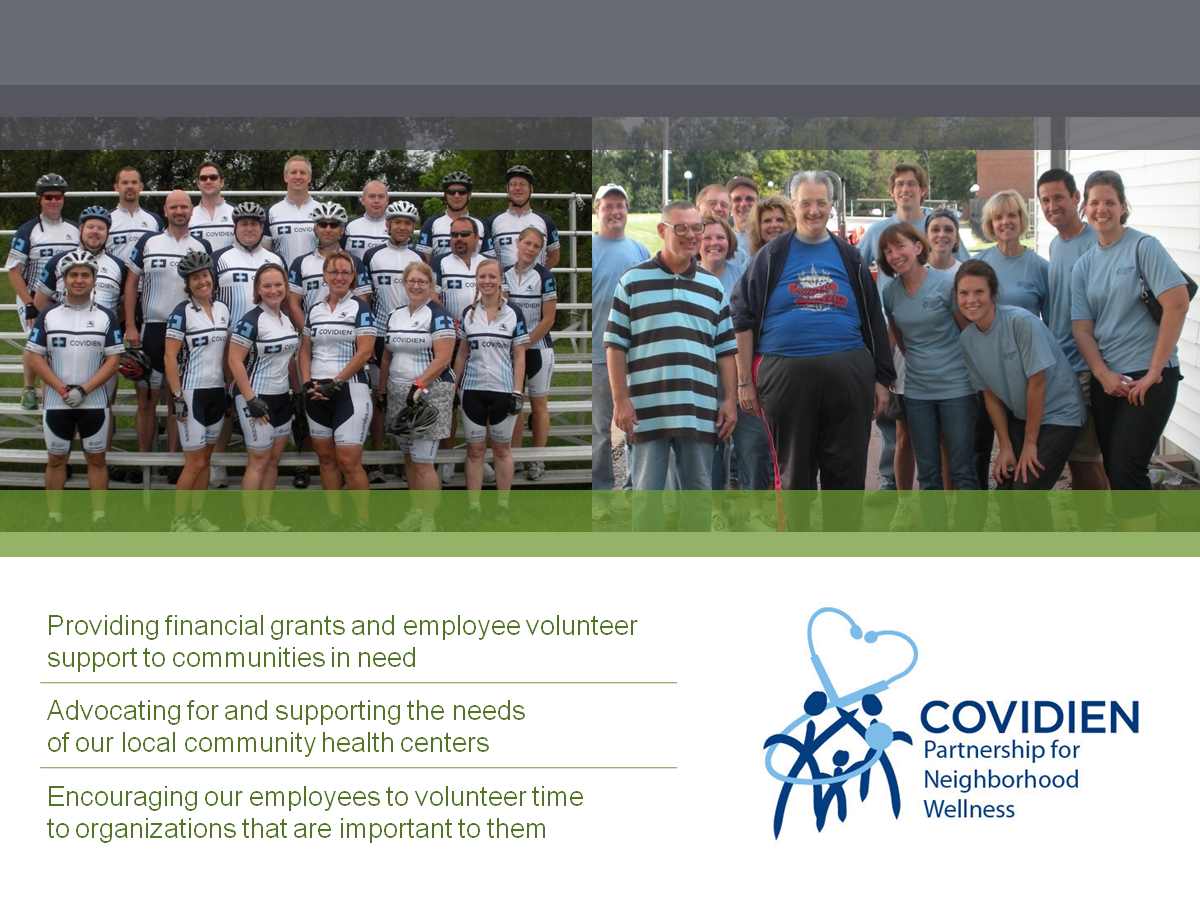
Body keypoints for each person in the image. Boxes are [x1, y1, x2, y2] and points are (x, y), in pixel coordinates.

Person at [730, 173, 892, 532]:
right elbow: (741, 316)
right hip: (785, 378)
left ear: (831, 207)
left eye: (821, 203)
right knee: (793, 472)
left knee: (846, 468)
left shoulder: (849, 256)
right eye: (806, 203)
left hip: (848, 374)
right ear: (793, 206)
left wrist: (882, 378)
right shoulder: (770, 257)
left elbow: (873, 318)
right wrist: (744, 382)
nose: (814, 210)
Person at [1071, 169, 1191, 531]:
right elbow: (1083, 330)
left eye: (1110, 202)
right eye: (1094, 203)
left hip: (1150, 375)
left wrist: (1154, 372)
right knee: (1116, 466)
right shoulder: (1084, 264)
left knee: (1127, 465)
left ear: (1123, 207)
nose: (1101, 209)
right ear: (1085, 209)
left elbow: (1178, 303)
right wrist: (1103, 375)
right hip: (1111, 381)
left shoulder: (1144, 246)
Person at [607, 201, 737, 532]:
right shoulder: (633, 281)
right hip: (646, 410)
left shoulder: (713, 287)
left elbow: (725, 350)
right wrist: (621, 400)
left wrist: (730, 401)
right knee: (647, 496)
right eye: (681, 228)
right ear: (663, 231)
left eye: (697, 228)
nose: (691, 236)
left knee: (698, 497)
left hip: (699, 409)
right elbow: (616, 345)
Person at [858, 164, 968, 501]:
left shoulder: (939, 242)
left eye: (912, 184)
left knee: (949, 446)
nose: (895, 254)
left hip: (948, 367)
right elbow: (857, 268)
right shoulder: (879, 233)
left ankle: (955, 510)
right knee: (900, 432)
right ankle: (894, 486)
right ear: (891, 191)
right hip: (903, 352)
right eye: (899, 184)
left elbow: (961, 287)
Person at [956, 260, 1085, 530]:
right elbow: (989, 394)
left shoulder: (1020, 322)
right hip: (1021, 415)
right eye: (964, 293)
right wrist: (1004, 447)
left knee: (1026, 491)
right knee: (1005, 485)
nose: (971, 300)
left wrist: (1029, 443)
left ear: (993, 294)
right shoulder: (968, 340)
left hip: (1059, 414)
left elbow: (1038, 384)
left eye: (979, 292)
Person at [878, 222, 980, 532]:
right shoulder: (890, 293)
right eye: (888, 250)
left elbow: (969, 333)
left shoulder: (947, 285)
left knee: (962, 468)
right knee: (929, 473)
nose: (896, 254)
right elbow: (898, 338)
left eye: (901, 246)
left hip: (957, 389)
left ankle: (968, 536)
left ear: (918, 247)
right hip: (918, 393)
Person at [23, 250, 122, 531]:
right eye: (73, 275)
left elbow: (114, 359)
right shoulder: (48, 316)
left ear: (94, 280)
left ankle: (99, 517)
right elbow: (35, 356)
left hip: (94, 401)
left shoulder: (106, 317)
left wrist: (85, 389)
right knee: (56, 460)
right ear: (64, 280)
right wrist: (62, 388)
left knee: (97, 459)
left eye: (85, 275)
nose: (79, 280)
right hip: (57, 401)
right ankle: (53, 517)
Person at [1037, 168, 1109, 530]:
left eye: (1059, 197)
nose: (1052, 206)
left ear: (1076, 198)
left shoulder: (1095, 240)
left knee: (1083, 457)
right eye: (1045, 200)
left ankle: (1093, 534)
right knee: (1085, 457)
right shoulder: (1055, 245)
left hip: (1088, 364)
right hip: (1061, 364)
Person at [969, 191, 1051, 491]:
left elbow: (1049, 325)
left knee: (1016, 447)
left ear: (1022, 219)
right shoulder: (979, 263)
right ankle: (975, 513)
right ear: (990, 224)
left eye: (1012, 215)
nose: (1006, 222)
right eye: (998, 217)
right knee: (978, 447)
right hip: (986, 370)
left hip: (1022, 376)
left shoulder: (1040, 267)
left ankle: (1015, 513)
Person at [123, 190, 212, 460]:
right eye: (173, 207)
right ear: (165, 210)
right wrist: (130, 324)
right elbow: (131, 284)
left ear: (191, 210)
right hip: (151, 328)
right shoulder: (148, 242)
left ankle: (174, 461)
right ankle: (143, 461)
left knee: (177, 398)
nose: (179, 211)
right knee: (146, 401)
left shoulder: (201, 245)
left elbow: (208, 288)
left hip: (186, 331)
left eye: (184, 206)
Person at [697, 212, 772, 532]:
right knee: (711, 443)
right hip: (703, 377)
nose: (714, 243)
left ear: (730, 242)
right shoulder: (687, 278)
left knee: (752, 444)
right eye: (707, 237)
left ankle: (757, 510)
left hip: (744, 374)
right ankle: (716, 509)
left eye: (720, 237)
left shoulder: (744, 275)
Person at [208, 201, 287, 489]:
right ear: (235, 227)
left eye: (255, 223)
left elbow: (284, 298)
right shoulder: (219, 257)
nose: (249, 227)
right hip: (230, 340)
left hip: (267, 344)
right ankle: (218, 464)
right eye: (244, 223)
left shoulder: (276, 259)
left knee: (254, 398)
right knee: (227, 403)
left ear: (262, 227)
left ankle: (256, 456)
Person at [298, 250, 376, 532]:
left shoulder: (360, 308)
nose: (339, 277)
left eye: (345, 272)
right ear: (325, 276)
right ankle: (334, 513)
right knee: (326, 458)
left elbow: (365, 350)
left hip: (349, 391)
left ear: (353, 277)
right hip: (317, 391)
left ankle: (363, 518)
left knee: (348, 460)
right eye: (334, 272)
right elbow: (305, 349)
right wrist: (307, 382)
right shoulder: (315, 309)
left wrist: (337, 383)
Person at [378, 261, 456, 533]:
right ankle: (415, 511)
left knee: (423, 462)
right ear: (403, 283)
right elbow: (387, 354)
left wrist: (419, 384)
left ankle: (429, 520)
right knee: (409, 459)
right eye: (411, 280)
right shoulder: (394, 315)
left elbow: (444, 357)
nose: (415, 285)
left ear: (430, 285)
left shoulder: (439, 314)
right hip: (400, 392)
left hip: (430, 392)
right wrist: (384, 390)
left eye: (422, 281)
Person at [452, 258, 529, 529]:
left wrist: (518, 392)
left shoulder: (514, 313)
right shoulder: (467, 313)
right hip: (472, 390)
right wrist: (454, 388)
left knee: (501, 450)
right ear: (477, 280)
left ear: (500, 280)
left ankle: (502, 508)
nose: (487, 281)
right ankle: (473, 508)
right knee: (474, 451)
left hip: (503, 390)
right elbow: (462, 353)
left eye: (492, 277)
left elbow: (520, 356)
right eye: (482, 276)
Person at [591, 184, 650, 513]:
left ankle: (633, 488)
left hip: (637, 354)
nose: (615, 211)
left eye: (621, 205)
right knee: (602, 430)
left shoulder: (640, 251)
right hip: (601, 355)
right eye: (609, 206)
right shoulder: (592, 248)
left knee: (637, 427)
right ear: (598, 210)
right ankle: (601, 494)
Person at [228, 263, 300, 532]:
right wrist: (250, 398)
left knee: (273, 460)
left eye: (278, 285)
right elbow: (234, 360)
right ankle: (250, 522)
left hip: (282, 397)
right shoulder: (250, 320)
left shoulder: (285, 317)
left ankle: (264, 515)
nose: (274, 290)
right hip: (256, 397)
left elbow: (290, 360)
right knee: (258, 461)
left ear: (286, 287)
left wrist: (298, 392)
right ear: (257, 289)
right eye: (267, 286)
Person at [164, 251, 230, 532]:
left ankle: (197, 514)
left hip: (216, 392)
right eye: (195, 278)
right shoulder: (181, 312)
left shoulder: (223, 309)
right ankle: (178, 520)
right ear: (187, 284)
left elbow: (226, 352)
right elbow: (169, 357)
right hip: (190, 394)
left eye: (205, 275)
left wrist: (228, 387)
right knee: (193, 463)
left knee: (206, 461)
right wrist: (177, 396)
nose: (202, 281)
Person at [8, 174, 80, 410]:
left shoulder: (74, 230)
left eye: (58, 196)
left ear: (63, 199)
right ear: (39, 199)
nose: (53, 201)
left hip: (62, 298)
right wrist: (29, 303)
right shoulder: (27, 231)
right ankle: (29, 388)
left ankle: (53, 394)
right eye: (48, 197)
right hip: (32, 296)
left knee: (57, 349)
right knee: (35, 344)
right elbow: (13, 272)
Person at [364, 200, 423, 484]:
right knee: (380, 397)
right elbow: (364, 298)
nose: (402, 227)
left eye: (408, 223)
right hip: (379, 334)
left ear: (413, 228)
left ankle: (406, 458)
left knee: (409, 396)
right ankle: (376, 461)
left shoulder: (421, 256)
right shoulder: (372, 255)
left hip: (412, 335)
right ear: (387, 224)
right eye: (397, 222)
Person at [433, 215, 492, 486]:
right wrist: (449, 319)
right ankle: (446, 459)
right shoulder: (439, 262)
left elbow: (500, 296)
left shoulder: (488, 264)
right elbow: (433, 298)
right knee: (449, 400)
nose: (458, 239)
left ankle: (481, 458)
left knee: (484, 398)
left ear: (477, 238)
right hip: (450, 339)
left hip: (482, 339)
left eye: (465, 234)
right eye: (454, 234)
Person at [504, 226, 557, 481]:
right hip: (511, 350)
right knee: (515, 406)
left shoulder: (545, 277)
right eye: (528, 243)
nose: (531, 249)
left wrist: (523, 344)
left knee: (539, 406)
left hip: (537, 349)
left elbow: (548, 320)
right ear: (518, 242)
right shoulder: (503, 275)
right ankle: (513, 458)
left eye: (536, 246)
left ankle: (537, 459)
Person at [486, 165, 560, 270]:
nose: (518, 188)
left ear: (531, 189)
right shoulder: (492, 221)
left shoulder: (546, 221)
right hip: (504, 284)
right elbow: (486, 257)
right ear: (507, 189)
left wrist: (537, 274)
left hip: (535, 284)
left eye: (523, 184)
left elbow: (554, 257)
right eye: (513, 184)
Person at [416, 171, 488, 262]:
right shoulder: (431, 223)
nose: (456, 196)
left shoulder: (481, 225)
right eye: (451, 192)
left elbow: (488, 261)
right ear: (445, 195)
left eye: (462, 192)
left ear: (469, 195)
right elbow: (423, 263)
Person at [264, 155, 320, 267]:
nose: (298, 176)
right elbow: (264, 253)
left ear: (309, 178)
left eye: (303, 173)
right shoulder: (270, 212)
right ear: (285, 177)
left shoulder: (322, 210)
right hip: (282, 281)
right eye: (293, 172)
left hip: (316, 280)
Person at [106, 166, 164, 263]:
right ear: (116, 187)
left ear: (141, 186)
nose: (130, 186)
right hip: (116, 277)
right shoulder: (106, 219)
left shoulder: (155, 220)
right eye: (124, 182)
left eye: (134, 182)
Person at [188, 160, 235, 251]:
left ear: (222, 182)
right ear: (198, 184)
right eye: (203, 178)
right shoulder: (189, 214)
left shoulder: (235, 212)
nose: (208, 181)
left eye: (213, 177)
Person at [344, 179, 391, 261]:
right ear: (362, 200)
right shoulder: (349, 225)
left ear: (387, 200)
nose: (376, 201)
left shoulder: (396, 226)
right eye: (371, 196)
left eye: (381, 197)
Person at [726, 176, 759, 269]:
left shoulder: (768, 239)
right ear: (729, 205)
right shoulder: (722, 242)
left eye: (749, 199)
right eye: (737, 199)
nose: (743, 204)